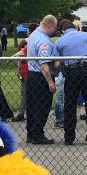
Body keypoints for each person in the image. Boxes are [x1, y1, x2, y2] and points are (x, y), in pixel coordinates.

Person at [52, 17, 87, 145]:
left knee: (70, 105)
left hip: (71, 73)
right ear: (73, 27)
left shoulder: (59, 41)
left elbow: (56, 64)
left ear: (62, 30)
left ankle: (69, 137)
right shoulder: (86, 36)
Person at [24, 15, 58, 144]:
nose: (54, 31)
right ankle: (38, 134)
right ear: (49, 25)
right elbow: (44, 64)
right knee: (42, 106)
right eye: (54, 28)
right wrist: (50, 82)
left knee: (32, 105)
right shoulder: (44, 41)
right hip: (41, 76)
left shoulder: (33, 36)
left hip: (31, 74)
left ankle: (31, 133)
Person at [14, 37, 28, 121]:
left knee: (25, 95)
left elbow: (19, 56)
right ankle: (22, 113)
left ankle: (21, 114)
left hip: (26, 74)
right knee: (26, 94)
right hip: (24, 74)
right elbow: (19, 63)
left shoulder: (26, 50)